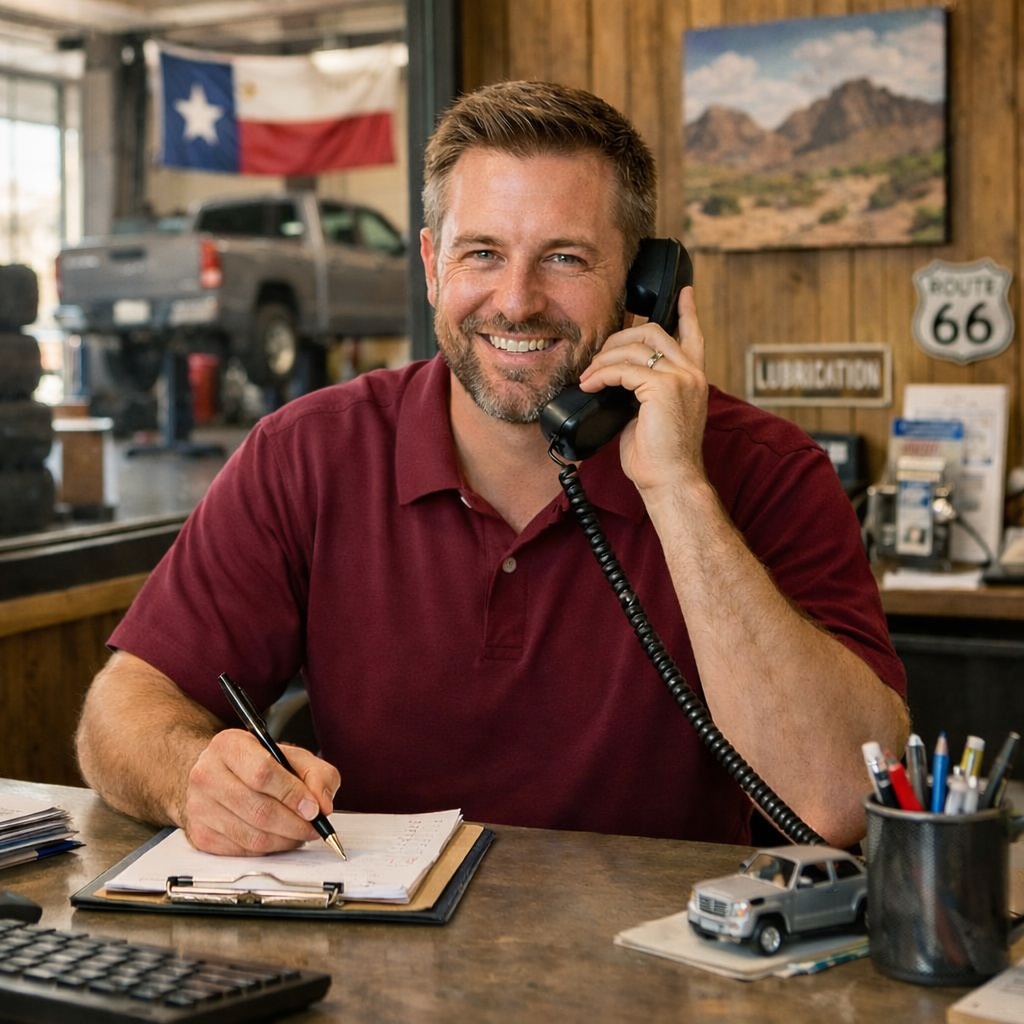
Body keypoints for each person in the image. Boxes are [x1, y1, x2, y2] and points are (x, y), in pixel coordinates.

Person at [75, 80, 908, 856]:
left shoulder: (766, 470)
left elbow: (835, 801)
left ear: (644, 284)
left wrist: (678, 490)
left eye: (566, 259)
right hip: (375, 970)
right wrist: (195, 778)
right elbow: (120, 711)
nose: (515, 300)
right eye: (482, 254)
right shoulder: (309, 451)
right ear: (433, 264)